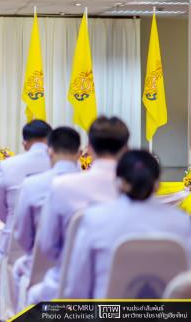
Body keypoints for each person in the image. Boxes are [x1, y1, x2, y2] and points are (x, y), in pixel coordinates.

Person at [27, 116, 130, 304]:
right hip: (129, 291)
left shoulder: (64, 186)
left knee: (33, 295)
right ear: (127, 149)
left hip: (70, 288)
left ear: (88, 148)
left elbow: (48, 247)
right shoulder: (136, 190)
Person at [64, 150, 191, 299]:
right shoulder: (182, 222)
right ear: (157, 185)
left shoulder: (94, 219)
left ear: (118, 183)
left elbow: (76, 287)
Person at [0, 119, 53, 321]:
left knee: (1, 252)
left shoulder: (8, 166)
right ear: (50, 142)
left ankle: (2, 304)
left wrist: (11, 221)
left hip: (14, 240)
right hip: (55, 242)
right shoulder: (64, 166)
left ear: (24, 143)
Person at [11, 127, 81, 298]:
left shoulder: (33, 184)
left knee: (19, 271)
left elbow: (28, 238)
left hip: (51, 268)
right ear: (80, 154)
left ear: (50, 152)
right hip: (87, 268)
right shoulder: (94, 185)